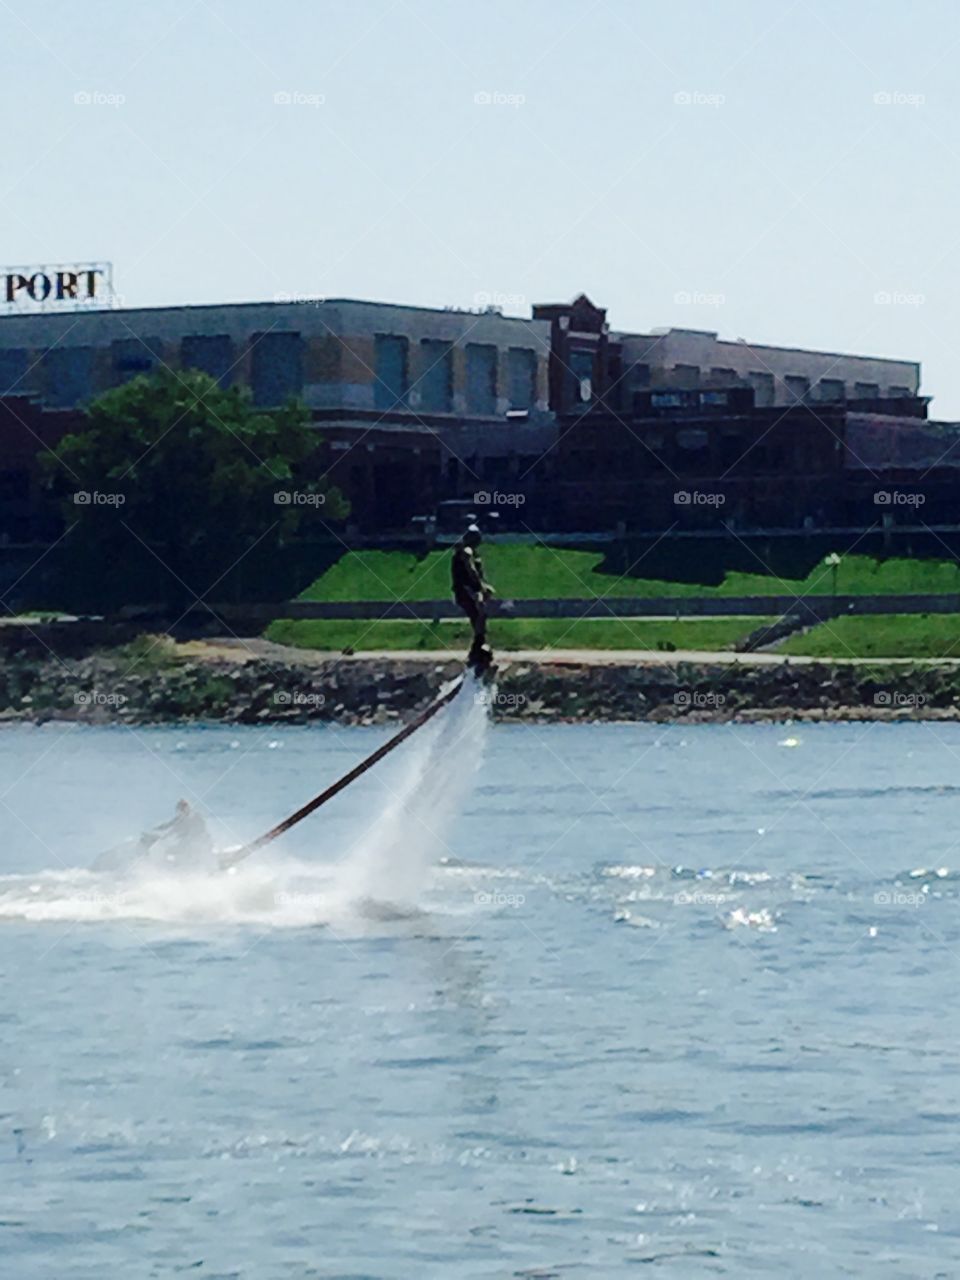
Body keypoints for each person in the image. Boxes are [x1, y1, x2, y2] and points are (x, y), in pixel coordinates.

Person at [451, 524, 495, 669]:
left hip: (467, 591)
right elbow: (471, 572)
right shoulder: (467, 552)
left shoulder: (467, 552)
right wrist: (480, 589)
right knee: (479, 616)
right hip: (467, 591)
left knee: (479, 617)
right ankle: (478, 649)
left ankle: (478, 648)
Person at [142, 798, 214, 869]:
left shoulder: (196, 816)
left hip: (199, 844)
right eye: (180, 809)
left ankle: (181, 866)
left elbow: (199, 829)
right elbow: (168, 825)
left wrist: (190, 837)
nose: (182, 811)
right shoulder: (179, 819)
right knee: (170, 850)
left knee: (178, 851)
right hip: (188, 844)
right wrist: (155, 829)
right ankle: (173, 866)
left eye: (184, 808)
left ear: (188, 808)